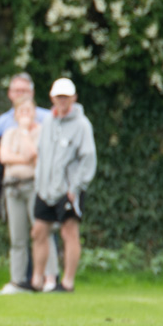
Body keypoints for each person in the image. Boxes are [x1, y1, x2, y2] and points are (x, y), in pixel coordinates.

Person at [0, 72, 56, 294]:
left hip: (36, 186)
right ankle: (18, 280)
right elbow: (2, 157)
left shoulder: (43, 126)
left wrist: (26, 134)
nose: (25, 115)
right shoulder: (7, 128)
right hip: (12, 186)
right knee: (17, 238)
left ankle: (49, 279)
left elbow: (37, 155)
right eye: (21, 112)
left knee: (41, 233)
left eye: (29, 111)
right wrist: (23, 158)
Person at [30, 77, 96, 293]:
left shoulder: (82, 125)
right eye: (59, 97)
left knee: (69, 233)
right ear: (52, 98)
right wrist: (39, 183)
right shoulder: (48, 121)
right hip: (45, 189)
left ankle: (67, 282)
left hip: (68, 191)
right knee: (39, 231)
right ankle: (37, 281)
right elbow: (41, 154)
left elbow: (88, 159)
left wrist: (74, 188)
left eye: (66, 97)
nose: (62, 101)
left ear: (74, 98)